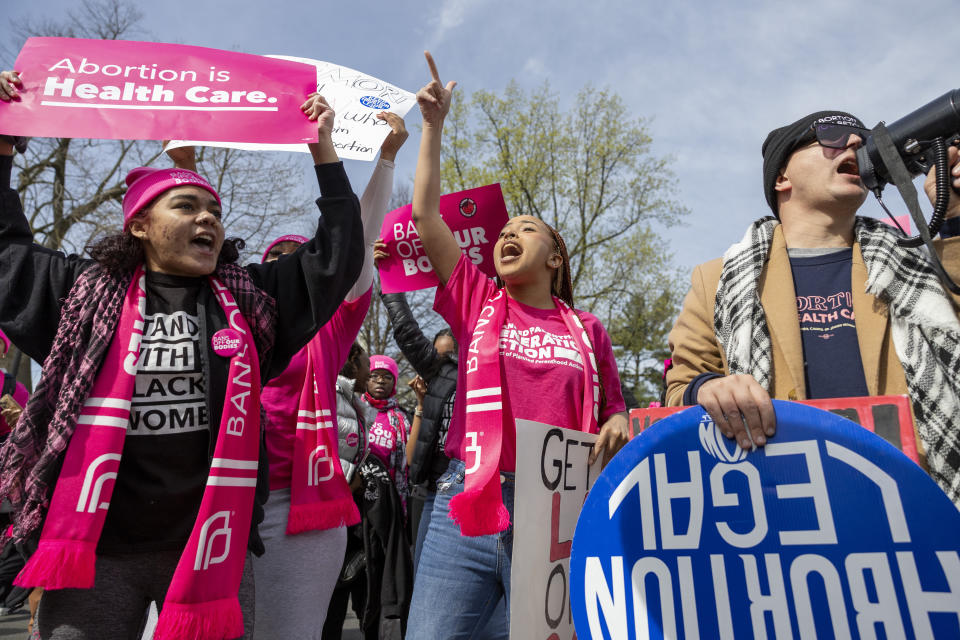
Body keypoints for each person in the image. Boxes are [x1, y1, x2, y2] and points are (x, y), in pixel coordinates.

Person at [0, 70, 363, 639]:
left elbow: (335, 258)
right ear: (140, 224)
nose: (207, 219)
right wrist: (3, 144)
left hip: (208, 549)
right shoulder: (80, 298)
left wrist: (323, 150)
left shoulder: (252, 305)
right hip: (97, 553)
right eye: (187, 206)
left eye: (213, 212)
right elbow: (5, 251)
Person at [404, 52, 629, 638]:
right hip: (468, 504)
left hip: (556, 511)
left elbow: (614, 410)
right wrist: (433, 126)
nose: (507, 234)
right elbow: (426, 216)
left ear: (555, 256)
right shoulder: (476, 301)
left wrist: (619, 424)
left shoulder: (588, 330)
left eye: (524, 229)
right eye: (503, 231)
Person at [665, 109, 960, 501]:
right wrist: (710, 389)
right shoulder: (715, 280)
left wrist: (953, 214)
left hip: (912, 507)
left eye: (861, 136)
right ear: (782, 177)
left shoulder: (913, 268)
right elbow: (681, 389)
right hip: (782, 511)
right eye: (832, 134)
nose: (855, 142)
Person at [245, 112, 406, 640]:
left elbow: (352, 248)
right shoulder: (232, 317)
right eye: (281, 264)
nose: (297, 274)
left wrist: (385, 158)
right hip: (215, 496)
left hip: (297, 512)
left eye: (307, 262)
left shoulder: (330, 331)